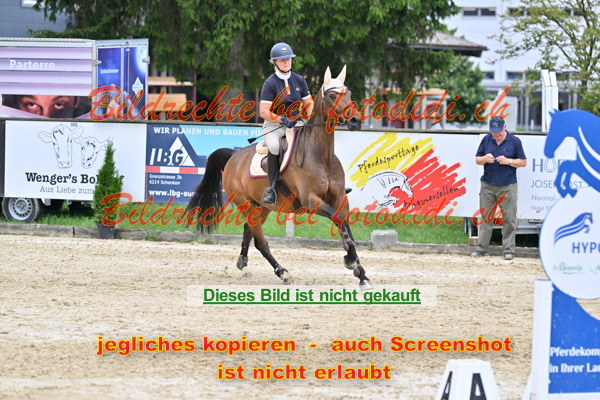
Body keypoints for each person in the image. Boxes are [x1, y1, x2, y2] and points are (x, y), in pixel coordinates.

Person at [259, 42, 314, 205]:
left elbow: (309, 103)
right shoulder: (270, 83)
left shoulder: (299, 80)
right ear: (275, 62)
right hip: (274, 126)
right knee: (275, 147)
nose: (286, 62)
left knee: (314, 141)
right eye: (282, 60)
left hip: (296, 124)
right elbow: (263, 111)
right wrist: (282, 119)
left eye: (288, 59)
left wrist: (308, 118)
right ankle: (272, 189)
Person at [472, 116, 527, 260]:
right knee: (485, 218)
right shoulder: (486, 140)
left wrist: (508, 161)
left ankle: (509, 250)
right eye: (493, 131)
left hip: (508, 186)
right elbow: (477, 159)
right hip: (487, 185)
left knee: (509, 219)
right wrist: (485, 159)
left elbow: (523, 162)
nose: (496, 134)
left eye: (498, 131)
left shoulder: (515, 141)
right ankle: (482, 248)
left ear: (505, 127)